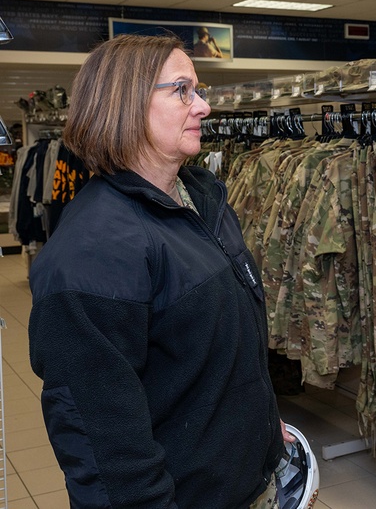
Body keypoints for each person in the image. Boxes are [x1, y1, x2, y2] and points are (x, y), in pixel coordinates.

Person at [28, 34, 293, 508]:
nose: (203, 107)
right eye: (182, 90)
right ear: (124, 103)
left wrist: (261, 419)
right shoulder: (93, 252)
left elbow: (211, 347)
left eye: (199, 89)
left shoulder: (199, 197)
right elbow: (102, 444)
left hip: (244, 479)